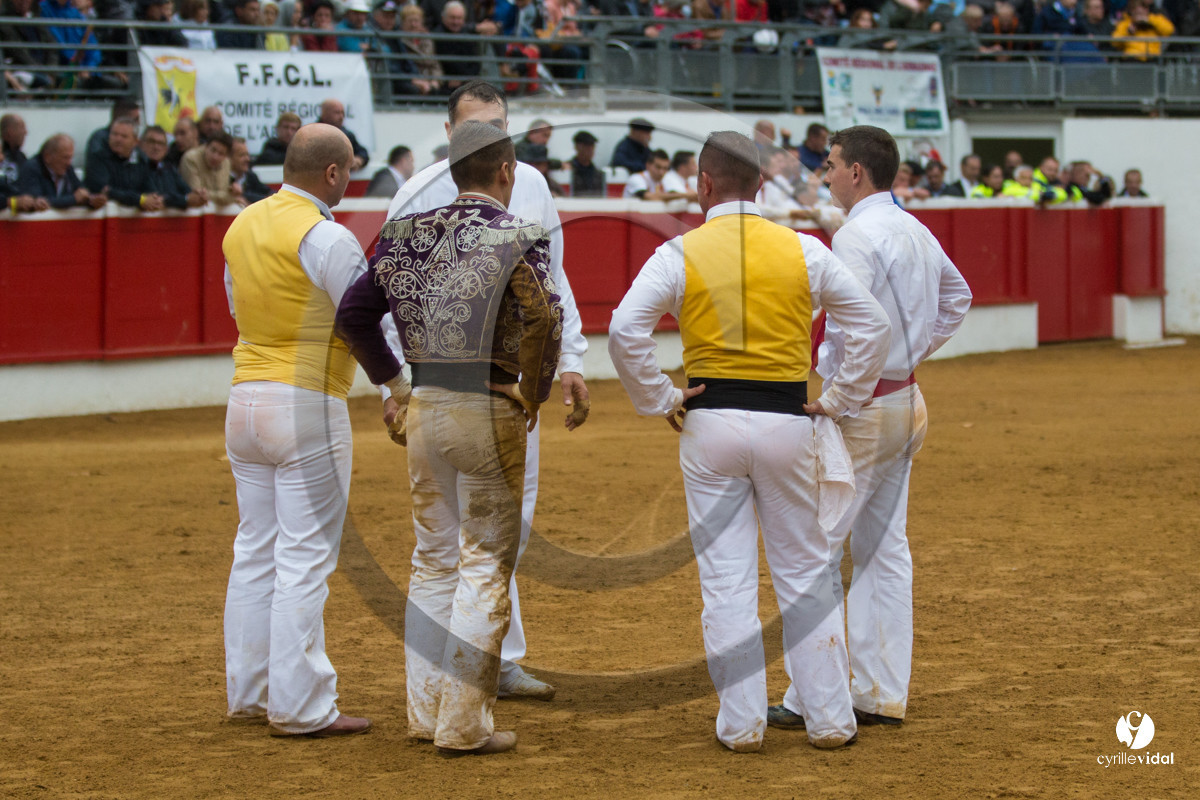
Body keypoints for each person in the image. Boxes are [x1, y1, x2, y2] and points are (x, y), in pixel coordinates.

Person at [608, 130, 891, 752]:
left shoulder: (679, 251)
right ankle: (831, 721)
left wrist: (662, 398)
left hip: (710, 423)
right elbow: (873, 325)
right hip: (789, 420)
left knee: (726, 582)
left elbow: (625, 330)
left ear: (702, 184)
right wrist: (840, 398)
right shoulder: (803, 249)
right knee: (807, 573)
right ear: (761, 184)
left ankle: (741, 726)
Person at [335, 120, 562, 756]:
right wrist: (533, 392)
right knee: (485, 565)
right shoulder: (517, 234)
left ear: (451, 172)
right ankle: (463, 726)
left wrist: (398, 386)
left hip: (427, 406)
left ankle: (424, 712)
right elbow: (547, 313)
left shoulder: (405, 234)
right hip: (489, 406)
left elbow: (353, 316)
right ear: (507, 172)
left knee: (432, 561)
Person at [386, 80, 589, 700]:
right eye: (477, 125)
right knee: (465, 542)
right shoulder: (414, 193)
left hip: (495, 392)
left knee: (500, 532)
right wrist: (394, 383)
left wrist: (571, 359)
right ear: (449, 134)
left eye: (499, 124)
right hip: (465, 389)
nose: (491, 137)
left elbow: (553, 277)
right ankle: (476, 672)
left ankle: (486, 663)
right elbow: (391, 299)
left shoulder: (530, 182)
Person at [771, 124, 972, 731]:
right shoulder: (913, 227)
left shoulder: (856, 235)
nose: (824, 174)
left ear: (856, 171)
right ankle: (879, 691)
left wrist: (840, 398)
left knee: (818, 549)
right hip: (906, 399)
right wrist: (909, 359)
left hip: (865, 411)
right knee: (885, 550)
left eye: (830, 165)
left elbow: (860, 331)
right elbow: (957, 299)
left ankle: (811, 698)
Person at [221, 122, 372, 739]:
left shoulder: (242, 224)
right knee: (305, 557)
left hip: (244, 401)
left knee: (255, 550)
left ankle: (251, 692)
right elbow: (365, 320)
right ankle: (301, 705)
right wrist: (398, 387)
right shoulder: (328, 237)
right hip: (308, 404)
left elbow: (237, 307)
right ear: (333, 174)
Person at [84, 118, 162, 210]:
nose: (118, 139)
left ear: (135, 142)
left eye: (124, 136)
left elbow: (150, 191)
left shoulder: (141, 161)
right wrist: (139, 199)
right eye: (114, 134)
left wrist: (153, 199)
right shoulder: (98, 158)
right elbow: (105, 190)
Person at [16, 133, 108, 210]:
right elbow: (37, 201)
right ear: (48, 157)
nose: (69, 163)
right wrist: (73, 199)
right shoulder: (31, 168)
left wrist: (91, 200)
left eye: (71, 157)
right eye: (65, 157)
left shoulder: (67, 168)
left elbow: (80, 190)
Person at [141, 125, 209, 208]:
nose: (156, 147)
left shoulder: (169, 168)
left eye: (160, 143)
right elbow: (157, 196)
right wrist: (185, 199)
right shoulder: (137, 167)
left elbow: (186, 190)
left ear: (166, 149)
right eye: (152, 142)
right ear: (141, 143)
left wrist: (198, 194)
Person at [182, 131, 242, 206]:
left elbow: (226, 196)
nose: (215, 157)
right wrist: (228, 196)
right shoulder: (191, 159)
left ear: (227, 155)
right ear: (206, 146)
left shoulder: (226, 162)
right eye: (213, 150)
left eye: (221, 153)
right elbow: (198, 195)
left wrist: (230, 194)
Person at [318, 98, 369, 170]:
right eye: (337, 113)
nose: (341, 117)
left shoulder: (347, 134)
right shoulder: (313, 133)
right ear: (325, 113)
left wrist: (358, 160)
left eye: (342, 113)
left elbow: (362, 152)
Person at [230, 136, 273, 204]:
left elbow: (268, 192)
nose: (247, 159)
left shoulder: (251, 176)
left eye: (247, 155)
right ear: (229, 158)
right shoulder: (224, 179)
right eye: (242, 155)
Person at [567, 130, 605, 197]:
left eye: (592, 146)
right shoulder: (567, 170)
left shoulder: (598, 174)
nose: (590, 149)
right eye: (586, 146)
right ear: (577, 147)